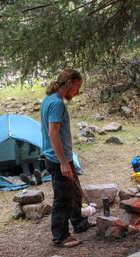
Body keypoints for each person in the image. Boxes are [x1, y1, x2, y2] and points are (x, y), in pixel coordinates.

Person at [40, 69, 94, 247]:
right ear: (69, 83)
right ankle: (60, 236)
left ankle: (79, 223)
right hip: (57, 159)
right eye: (77, 87)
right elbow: (53, 133)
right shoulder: (56, 104)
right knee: (63, 198)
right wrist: (63, 162)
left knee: (75, 192)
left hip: (63, 156)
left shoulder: (50, 100)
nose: (77, 92)